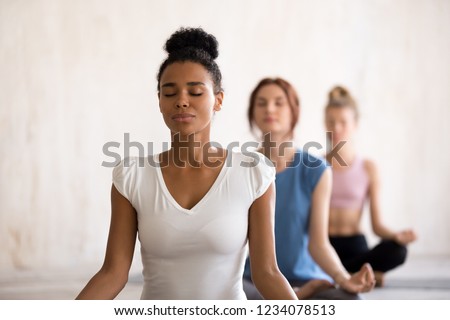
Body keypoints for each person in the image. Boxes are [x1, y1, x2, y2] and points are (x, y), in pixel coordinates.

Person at [76, 28, 298, 300]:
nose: (181, 101)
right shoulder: (132, 177)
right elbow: (113, 273)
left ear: (218, 100)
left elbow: (267, 274)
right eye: (169, 93)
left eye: (195, 92)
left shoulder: (254, 173)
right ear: (159, 101)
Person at [242, 78, 376, 300]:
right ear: (252, 112)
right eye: (262, 103)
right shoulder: (241, 167)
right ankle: (293, 297)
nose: (269, 109)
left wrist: (343, 278)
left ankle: (295, 295)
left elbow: (319, 243)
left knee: (351, 302)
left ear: (294, 111)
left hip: (307, 277)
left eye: (279, 102)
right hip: (255, 280)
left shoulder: (317, 170)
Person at [324, 85, 417, 287]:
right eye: (331, 122)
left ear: (355, 124)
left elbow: (377, 225)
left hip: (355, 245)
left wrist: (396, 236)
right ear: (324, 123)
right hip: (324, 245)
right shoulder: (316, 165)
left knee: (397, 250)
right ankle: (356, 274)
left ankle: (342, 274)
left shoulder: (368, 168)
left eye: (343, 122)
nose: (336, 128)